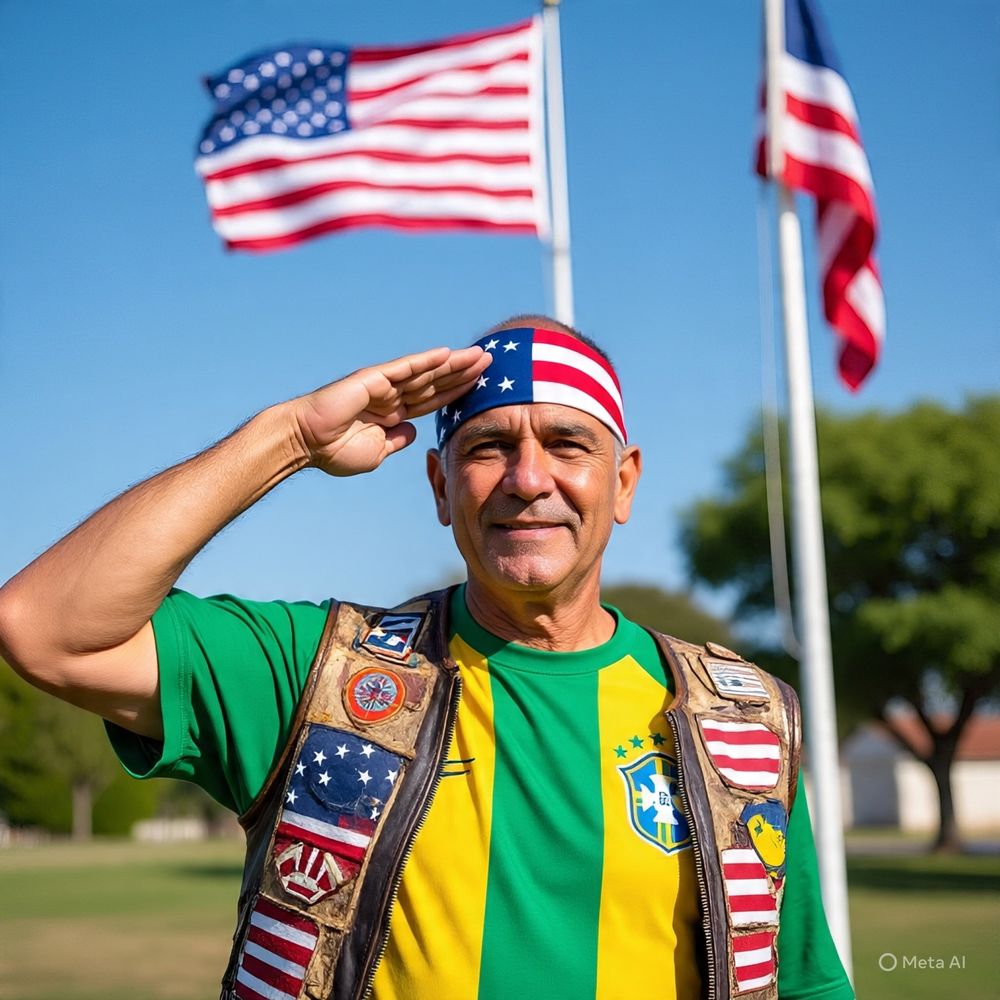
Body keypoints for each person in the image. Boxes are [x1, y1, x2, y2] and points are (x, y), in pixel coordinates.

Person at [0, 315, 854, 1000]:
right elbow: (43, 627)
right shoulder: (318, 675)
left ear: (624, 482)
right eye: (487, 448)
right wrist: (290, 436)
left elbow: (803, 981)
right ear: (441, 487)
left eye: (566, 444)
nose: (527, 478)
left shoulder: (738, 715)